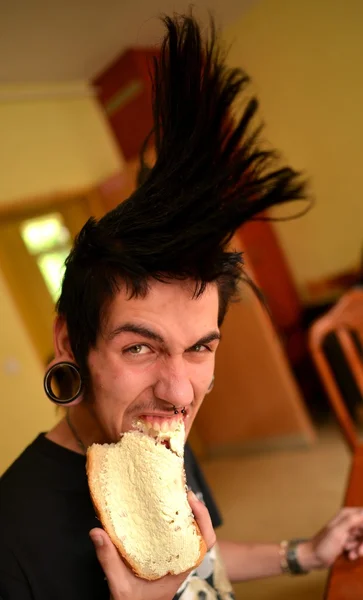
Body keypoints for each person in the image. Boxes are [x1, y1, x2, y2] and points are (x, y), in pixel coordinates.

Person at [1, 14, 363, 600]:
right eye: (139, 347)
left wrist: (304, 553)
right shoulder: (12, 538)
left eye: (199, 348)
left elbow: (203, 559)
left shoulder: (152, 438)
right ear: (70, 341)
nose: (178, 392)